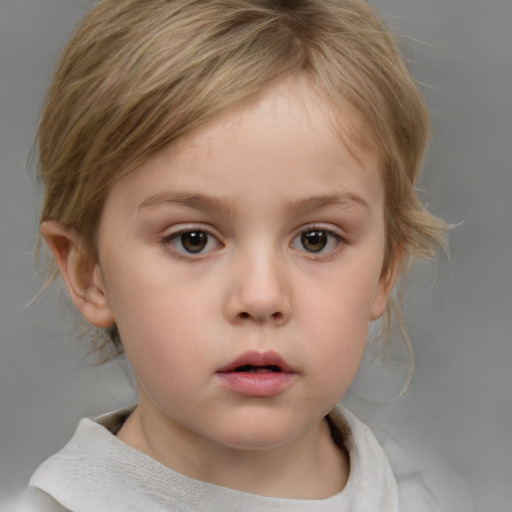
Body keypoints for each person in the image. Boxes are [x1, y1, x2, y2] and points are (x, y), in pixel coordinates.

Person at [19, 0, 446, 510]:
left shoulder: (417, 495)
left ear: (384, 272)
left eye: (316, 239)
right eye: (193, 239)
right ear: (89, 273)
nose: (262, 297)